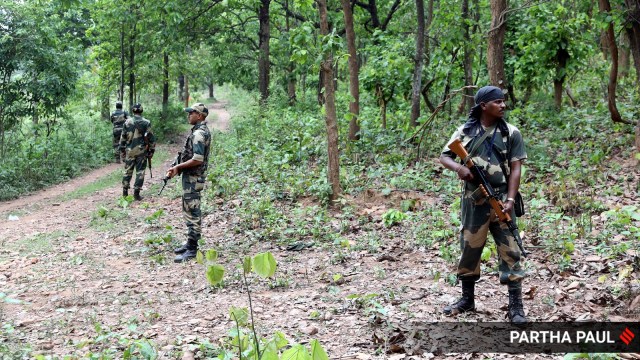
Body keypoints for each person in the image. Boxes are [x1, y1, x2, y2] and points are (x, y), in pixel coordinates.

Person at [438, 85, 528, 324]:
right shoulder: (465, 131)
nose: (503, 105)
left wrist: (510, 199)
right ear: (483, 106)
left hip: (500, 198)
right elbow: (444, 156)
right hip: (473, 200)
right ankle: (467, 299)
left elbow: (516, 168)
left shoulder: (511, 132)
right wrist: (460, 168)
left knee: (510, 249)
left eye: (503, 101)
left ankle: (516, 306)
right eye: (497, 102)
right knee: (469, 248)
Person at [165, 102, 211, 263]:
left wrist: (178, 167)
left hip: (194, 178)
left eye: (191, 112)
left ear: (199, 116)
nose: (188, 115)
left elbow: (198, 159)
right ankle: (190, 242)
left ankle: (192, 249)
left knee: (192, 211)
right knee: (189, 209)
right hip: (191, 177)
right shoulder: (198, 131)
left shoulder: (199, 133)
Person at [119, 103, 155, 201]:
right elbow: (151, 137)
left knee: (127, 171)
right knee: (140, 172)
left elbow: (123, 137)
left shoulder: (127, 122)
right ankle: (136, 194)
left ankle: (125, 193)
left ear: (133, 111)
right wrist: (152, 150)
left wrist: (122, 149)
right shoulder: (146, 122)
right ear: (141, 111)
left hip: (130, 151)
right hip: (141, 151)